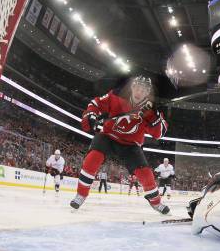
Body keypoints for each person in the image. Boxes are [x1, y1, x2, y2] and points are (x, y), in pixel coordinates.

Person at [70, 76, 170, 214]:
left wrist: (156, 121)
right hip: (108, 136)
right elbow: (96, 103)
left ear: (147, 93)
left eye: (143, 89)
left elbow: (159, 134)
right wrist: (92, 114)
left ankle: (156, 202)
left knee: (146, 175)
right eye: (137, 87)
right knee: (92, 159)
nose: (139, 91)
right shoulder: (116, 95)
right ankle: (81, 194)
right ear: (132, 87)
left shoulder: (151, 111)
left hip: (131, 145)